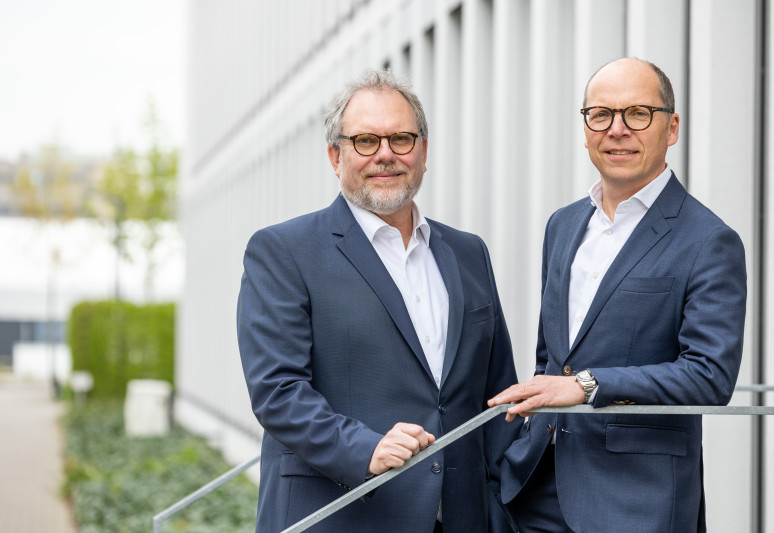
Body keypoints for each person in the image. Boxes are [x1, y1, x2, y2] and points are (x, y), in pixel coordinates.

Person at [237, 69, 520, 533]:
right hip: (342, 515)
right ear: (336, 155)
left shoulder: (469, 253)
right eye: (365, 141)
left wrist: (503, 507)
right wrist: (363, 448)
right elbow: (277, 390)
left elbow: (495, 392)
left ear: (423, 152)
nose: (385, 155)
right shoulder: (284, 251)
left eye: (401, 139)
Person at [488, 57, 747, 533]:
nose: (618, 129)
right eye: (601, 114)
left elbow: (710, 375)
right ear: (585, 130)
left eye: (638, 113)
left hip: (635, 503)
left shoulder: (710, 240)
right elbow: (553, 357)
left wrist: (587, 385)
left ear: (671, 128)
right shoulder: (562, 225)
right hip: (531, 489)